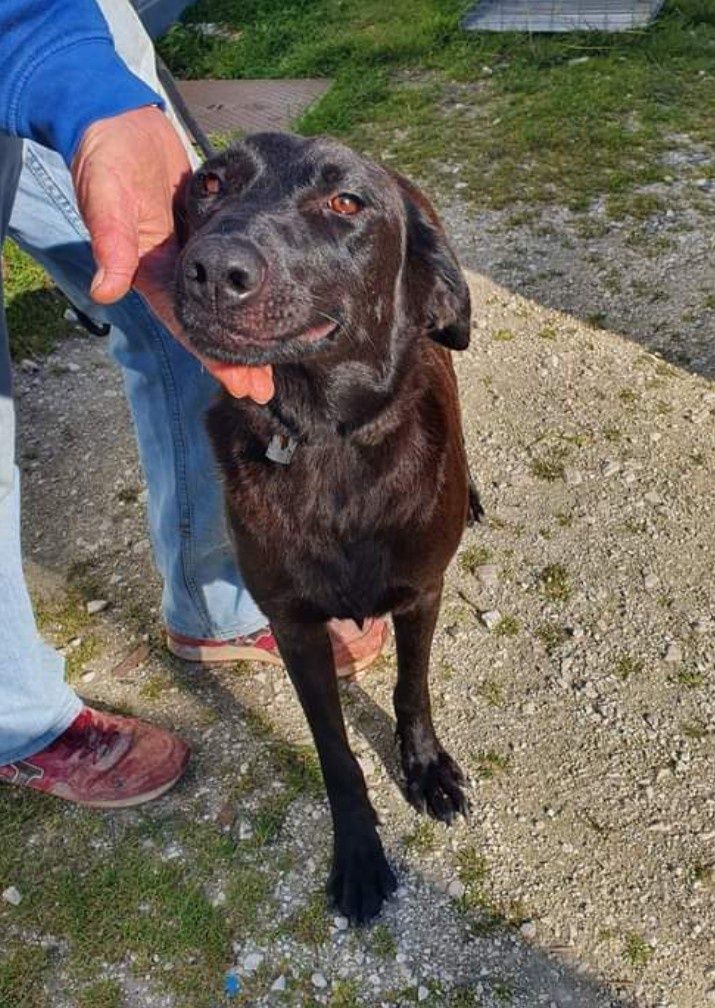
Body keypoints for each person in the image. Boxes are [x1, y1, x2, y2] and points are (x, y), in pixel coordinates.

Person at [0, 0, 386, 809]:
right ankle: (18, 719)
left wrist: (73, 71)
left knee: (188, 327)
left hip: (68, 24)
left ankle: (213, 605)